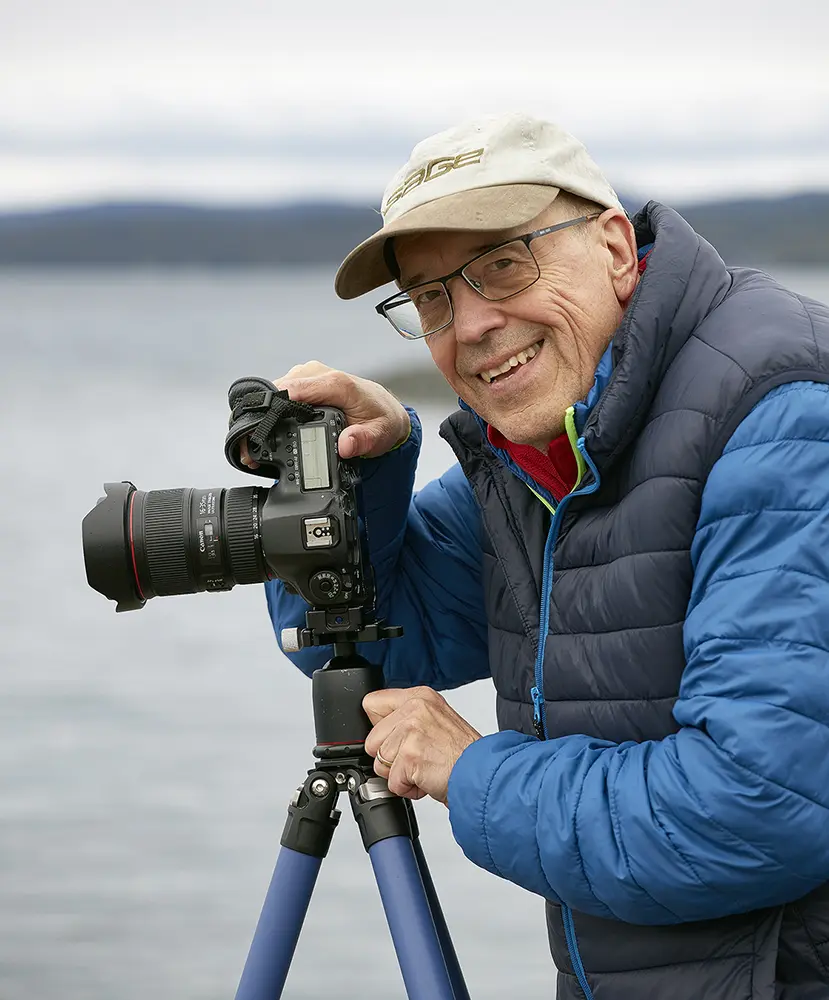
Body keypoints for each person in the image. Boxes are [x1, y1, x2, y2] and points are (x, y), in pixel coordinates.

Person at [260, 113, 829, 999]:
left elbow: (759, 809)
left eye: (501, 263)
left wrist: (471, 769)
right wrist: (371, 468)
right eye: (432, 297)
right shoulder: (545, 455)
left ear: (612, 246)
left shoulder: (779, 417)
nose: (473, 323)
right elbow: (362, 650)